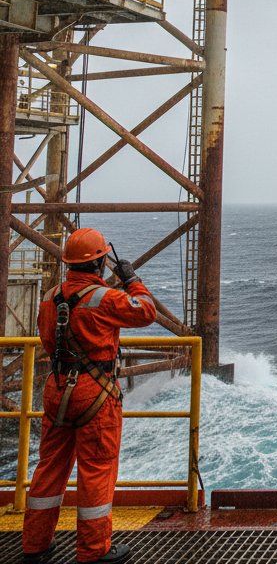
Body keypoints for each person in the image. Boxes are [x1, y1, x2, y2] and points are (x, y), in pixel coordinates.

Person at [22, 228, 157, 564]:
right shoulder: (104, 299)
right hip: (94, 394)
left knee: (49, 469)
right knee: (96, 470)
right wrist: (131, 279)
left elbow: (48, 341)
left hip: (56, 389)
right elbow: (146, 311)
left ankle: (34, 545)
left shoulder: (49, 297)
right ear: (99, 263)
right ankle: (94, 550)